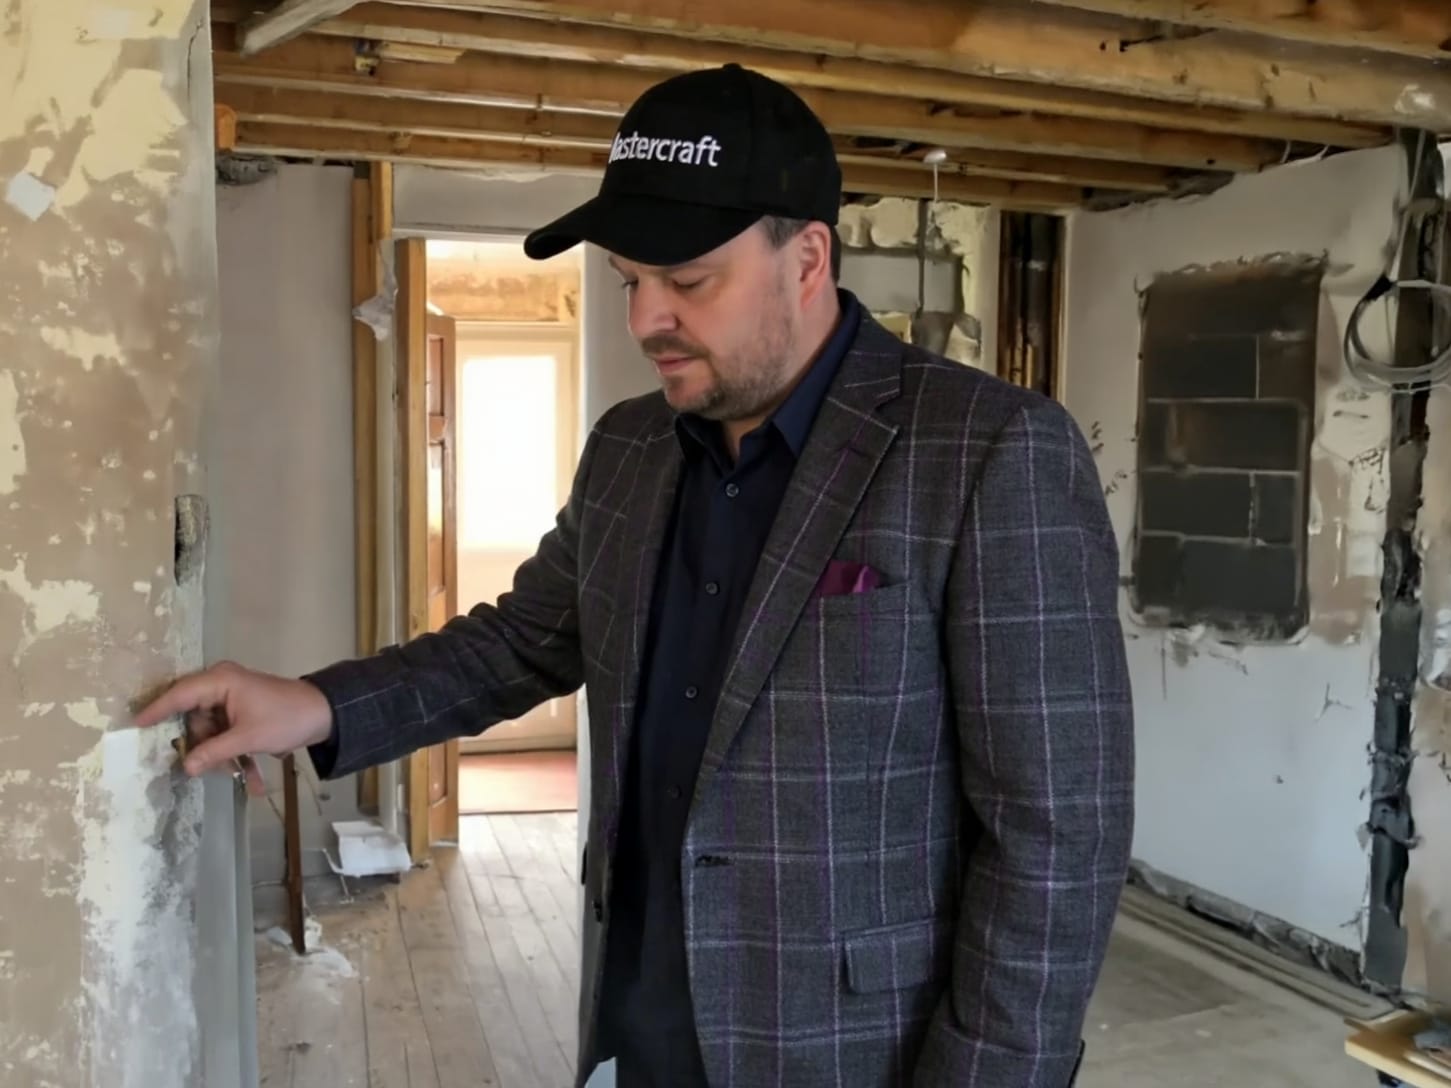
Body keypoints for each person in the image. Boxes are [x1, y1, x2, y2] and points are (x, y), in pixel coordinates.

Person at [138, 63, 1134, 1088]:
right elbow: (521, 641)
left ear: (805, 258)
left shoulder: (989, 451)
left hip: (850, 1049)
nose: (645, 318)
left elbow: (1055, 835)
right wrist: (311, 704)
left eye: (687, 282)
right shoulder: (629, 446)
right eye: (629, 281)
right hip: (636, 1022)